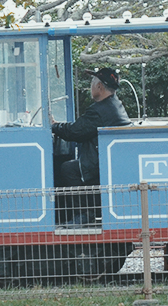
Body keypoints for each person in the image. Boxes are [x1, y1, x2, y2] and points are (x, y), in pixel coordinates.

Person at [50, 67, 131, 225]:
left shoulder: (100, 110)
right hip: (110, 160)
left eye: (92, 82)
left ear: (99, 86)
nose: (90, 86)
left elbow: (75, 132)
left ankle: (85, 213)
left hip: (100, 164)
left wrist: (54, 126)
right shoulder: (114, 105)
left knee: (68, 169)